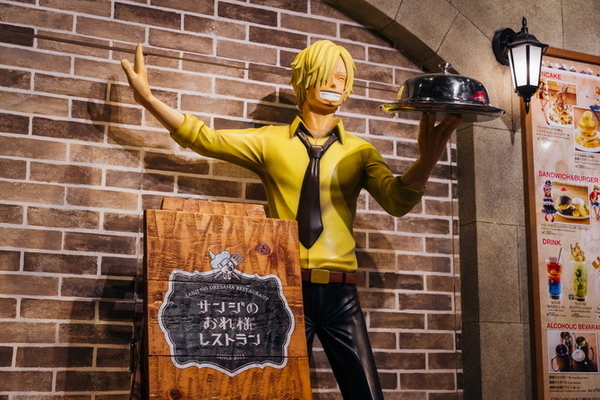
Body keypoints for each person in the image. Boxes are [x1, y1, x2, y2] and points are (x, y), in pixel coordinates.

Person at [122, 40, 462, 400]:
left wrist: (427, 161)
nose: (334, 84)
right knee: (279, 391)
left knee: (367, 394)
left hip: (341, 293)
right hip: (286, 289)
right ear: (304, 80)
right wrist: (149, 100)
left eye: (342, 78)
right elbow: (205, 139)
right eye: (326, 75)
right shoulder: (270, 142)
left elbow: (396, 201)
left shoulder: (360, 151)